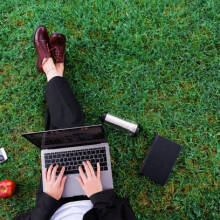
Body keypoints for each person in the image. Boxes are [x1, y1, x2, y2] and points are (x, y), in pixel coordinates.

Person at [15, 26, 137, 220]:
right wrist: (99, 196)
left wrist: (48, 200)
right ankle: (53, 70)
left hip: (54, 203)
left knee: (62, 135)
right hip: (95, 199)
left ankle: (50, 68)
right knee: (69, 130)